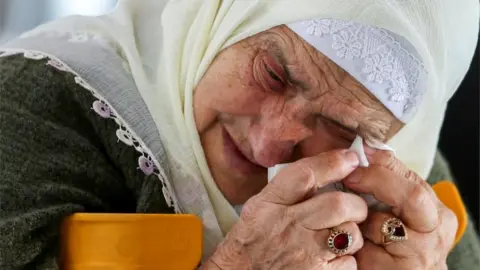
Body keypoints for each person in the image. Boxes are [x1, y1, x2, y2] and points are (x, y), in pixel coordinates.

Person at [0, 0, 479, 269]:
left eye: (339, 127)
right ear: (224, 15)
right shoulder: (34, 104)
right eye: (273, 74)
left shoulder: (394, 179)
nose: (270, 144)